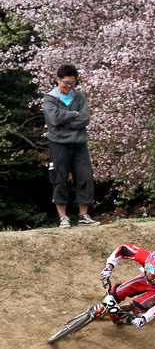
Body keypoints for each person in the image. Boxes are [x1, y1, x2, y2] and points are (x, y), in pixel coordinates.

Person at [42, 64, 100, 228]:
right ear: (58, 80)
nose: (69, 86)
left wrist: (66, 121)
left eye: (72, 83)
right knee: (59, 179)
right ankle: (63, 217)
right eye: (66, 82)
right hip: (59, 144)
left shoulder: (79, 97)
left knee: (85, 177)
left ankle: (83, 215)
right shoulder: (49, 98)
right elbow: (54, 119)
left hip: (79, 143)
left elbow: (85, 119)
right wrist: (74, 115)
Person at [99, 245, 155, 328]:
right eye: (148, 268)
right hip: (144, 280)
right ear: (147, 263)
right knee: (118, 292)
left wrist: (144, 319)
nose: (150, 275)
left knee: (138, 307)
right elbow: (123, 249)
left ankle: (137, 314)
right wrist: (109, 267)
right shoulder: (145, 258)